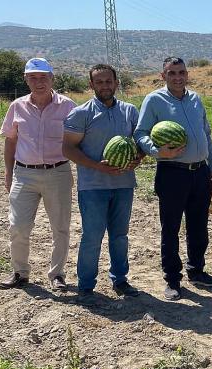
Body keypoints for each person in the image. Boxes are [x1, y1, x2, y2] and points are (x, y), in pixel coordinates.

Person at [134, 57, 212, 301]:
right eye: (172, 73)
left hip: (200, 171)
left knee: (198, 225)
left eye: (181, 72)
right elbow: (140, 133)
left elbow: (206, 134)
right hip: (172, 172)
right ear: (163, 76)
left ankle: (197, 270)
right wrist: (156, 150)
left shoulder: (195, 98)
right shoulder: (154, 100)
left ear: (187, 74)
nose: (177, 77)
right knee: (170, 228)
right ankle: (172, 279)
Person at [63, 64, 141, 299]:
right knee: (92, 236)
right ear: (91, 85)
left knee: (120, 236)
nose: (105, 86)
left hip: (124, 184)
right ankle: (86, 285)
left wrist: (137, 159)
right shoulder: (81, 113)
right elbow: (67, 148)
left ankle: (120, 280)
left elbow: (140, 142)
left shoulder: (130, 111)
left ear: (116, 83)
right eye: (99, 82)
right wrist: (97, 166)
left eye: (109, 81)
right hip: (93, 186)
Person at [0, 58, 76, 291]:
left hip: (58, 172)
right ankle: (20, 272)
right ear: (26, 79)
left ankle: (57, 275)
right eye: (33, 77)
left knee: (60, 227)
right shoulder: (17, 106)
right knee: (18, 226)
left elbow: (77, 141)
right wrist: (8, 173)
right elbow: (10, 141)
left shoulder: (68, 106)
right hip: (24, 174)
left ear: (52, 79)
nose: (38, 82)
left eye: (43, 77)